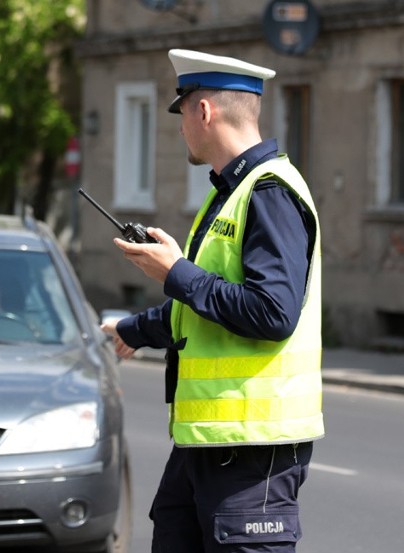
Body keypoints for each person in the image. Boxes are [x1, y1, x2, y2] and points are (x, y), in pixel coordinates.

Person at [100, 49, 323, 553]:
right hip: (207, 443)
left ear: (203, 112)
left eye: (181, 115)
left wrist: (175, 272)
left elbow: (273, 313)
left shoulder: (268, 192)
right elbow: (203, 308)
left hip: (249, 450)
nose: (180, 129)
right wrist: (132, 331)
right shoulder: (230, 191)